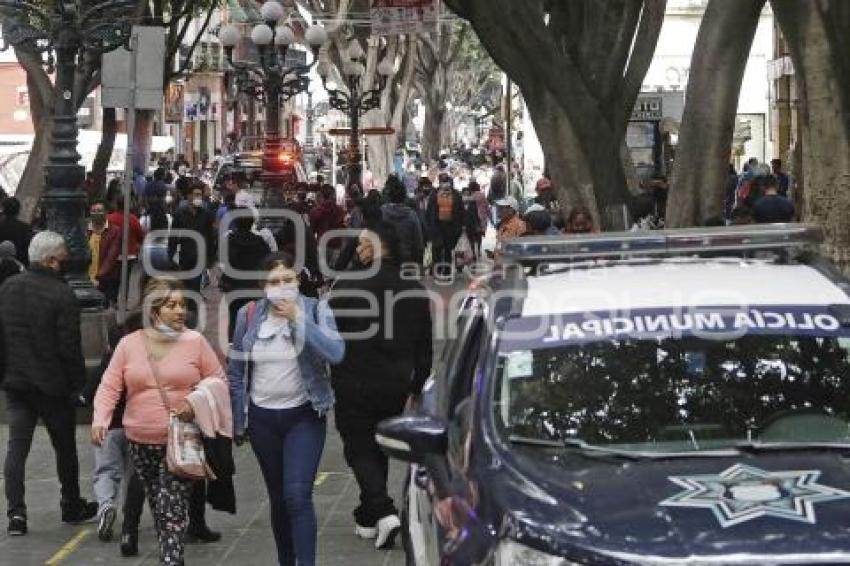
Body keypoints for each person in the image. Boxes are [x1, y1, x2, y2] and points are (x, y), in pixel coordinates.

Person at [92, 277, 226, 566]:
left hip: (180, 438)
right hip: (139, 439)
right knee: (157, 500)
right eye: (171, 305)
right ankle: (171, 548)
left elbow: (218, 380)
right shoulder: (129, 344)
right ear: (154, 310)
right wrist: (100, 420)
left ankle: (171, 558)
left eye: (182, 305)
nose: (180, 311)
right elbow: (109, 386)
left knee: (171, 502)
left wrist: (195, 401)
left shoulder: (195, 342)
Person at [228, 252, 343, 566]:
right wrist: (239, 421)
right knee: (279, 500)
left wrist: (298, 319)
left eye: (287, 280)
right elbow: (236, 370)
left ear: (298, 279)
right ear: (263, 286)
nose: (281, 287)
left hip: (304, 416)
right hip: (263, 420)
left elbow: (335, 353)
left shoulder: (316, 310)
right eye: (273, 282)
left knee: (297, 494)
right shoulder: (247, 315)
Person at [329, 223, 433, 550]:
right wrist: (417, 385)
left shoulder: (348, 284)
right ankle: (369, 513)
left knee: (359, 447)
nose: (357, 251)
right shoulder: (413, 288)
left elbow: (330, 329)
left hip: (353, 378)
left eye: (361, 245)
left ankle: (384, 512)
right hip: (395, 382)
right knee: (376, 443)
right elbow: (424, 345)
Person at [0, 232, 98, 535]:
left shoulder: (8, 287)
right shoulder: (62, 294)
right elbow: (69, 347)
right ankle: (70, 503)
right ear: (52, 260)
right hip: (52, 385)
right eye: (64, 257)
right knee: (64, 447)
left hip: (15, 381)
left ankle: (16, 514)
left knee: (17, 447)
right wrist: (79, 387)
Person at [80, 311, 147, 546]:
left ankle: (106, 506)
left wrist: (84, 401)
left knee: (106, 471)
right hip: (137, 425)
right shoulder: (148, 356)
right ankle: (130, 516)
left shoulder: (113, 355)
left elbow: (97, 387)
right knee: (134, 474)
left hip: (109, 425)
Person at [220, 206, 272, 341]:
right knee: (255, 320)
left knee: (235, 319)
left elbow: (223, 264)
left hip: (235, 288)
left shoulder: (229, 241)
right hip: (256, 289)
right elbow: (267, 264)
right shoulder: (261, 242)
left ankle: (233, 346)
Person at [169, 183, 216, 303]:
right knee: (184, 288)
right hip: (185, 257)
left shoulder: (206, 215)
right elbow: (173, 237)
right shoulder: (180, 214)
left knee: (194, 289)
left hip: (199, 258)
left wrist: (211, 258)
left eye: (200, 195)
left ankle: (193, 314)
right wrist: (170, 256)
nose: (198, 197)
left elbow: (211, 237)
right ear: (189, 196)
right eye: (196, 195)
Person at [381, 174, 424, 265]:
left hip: (387, 257)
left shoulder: (382, 212)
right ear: (404, 196)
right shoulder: (411, 215)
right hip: (407, 257)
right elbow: (418, 240)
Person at [425, 175, 463, 277]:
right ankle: (445, 271)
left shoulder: (435, 193)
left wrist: (429, 225)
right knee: (446, 250)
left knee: (439, 249)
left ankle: (438, 270)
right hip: (447, 227)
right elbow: (461, 211)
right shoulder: (455, 194)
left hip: (441, 226)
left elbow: (428, 211)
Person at [88, 201, 122, 306]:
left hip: (106, 279)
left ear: (106, 212)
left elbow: (111, 257)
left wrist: (98, 278)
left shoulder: (114, 231)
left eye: (99, 211)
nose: (96, 213)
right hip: (86, 277)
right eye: (94, 211)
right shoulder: (85, 229)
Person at [0, 197, 32, 266]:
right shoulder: (25, 228)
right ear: (18, 211)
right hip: (19, 267)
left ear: (3, 209)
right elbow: (27, 250)